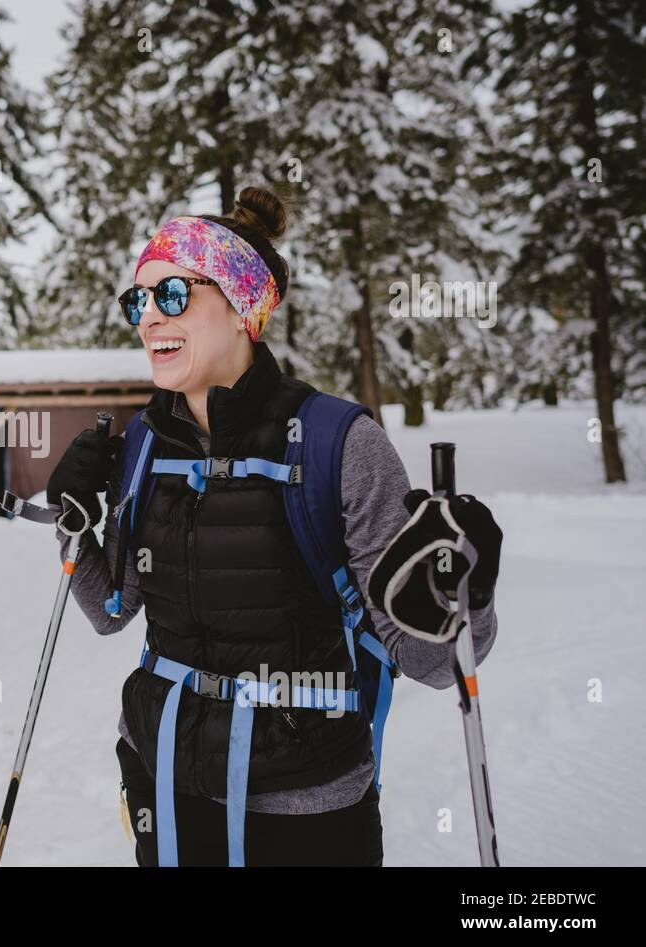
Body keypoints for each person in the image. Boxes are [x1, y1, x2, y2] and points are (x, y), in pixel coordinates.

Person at [46, 187, 503, 866]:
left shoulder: (336, 443)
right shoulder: (144, 443)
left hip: (304, 807)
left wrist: (457, 592)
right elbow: (112, 609)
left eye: (171, 294)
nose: (148, 318)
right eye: (136, 300)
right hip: (165, 784)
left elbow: (435, 663)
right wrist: (74, 521)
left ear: (240, 311)